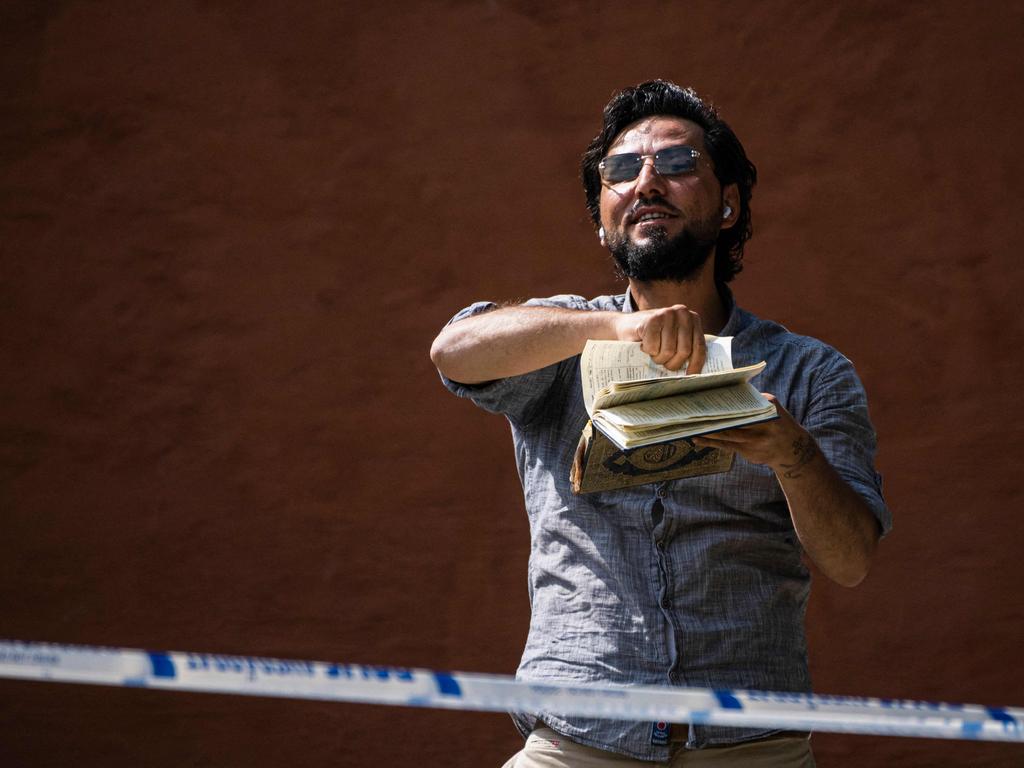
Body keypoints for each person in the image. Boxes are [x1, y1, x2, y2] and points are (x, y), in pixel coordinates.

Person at [430, 80, 890, 767]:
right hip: (576, 740)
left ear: (728, 203)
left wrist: (791, 452)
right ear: (601, 216)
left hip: (751, 745)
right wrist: (616, 327)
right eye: (621, 170)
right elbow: (453, 351)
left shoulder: (809, 371)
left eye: (677, 165)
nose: (647, 182)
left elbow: (851, 561)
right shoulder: (562, 341)